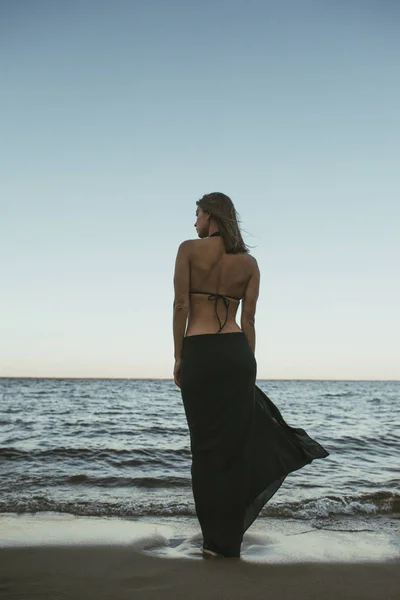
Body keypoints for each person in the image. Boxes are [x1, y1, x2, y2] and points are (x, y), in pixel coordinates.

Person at [172, 192, 329, 559]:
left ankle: (213, 541)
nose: (194, 222)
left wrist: (179, 356)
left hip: (200, 351)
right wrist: (247, 365)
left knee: (205, 451)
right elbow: (249, 321)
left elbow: (181, 304)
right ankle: (228, 541)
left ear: (210, 215)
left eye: (197, 214)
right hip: (237, 355)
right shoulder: (250, 263)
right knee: (231, 450)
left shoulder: (188, 250)